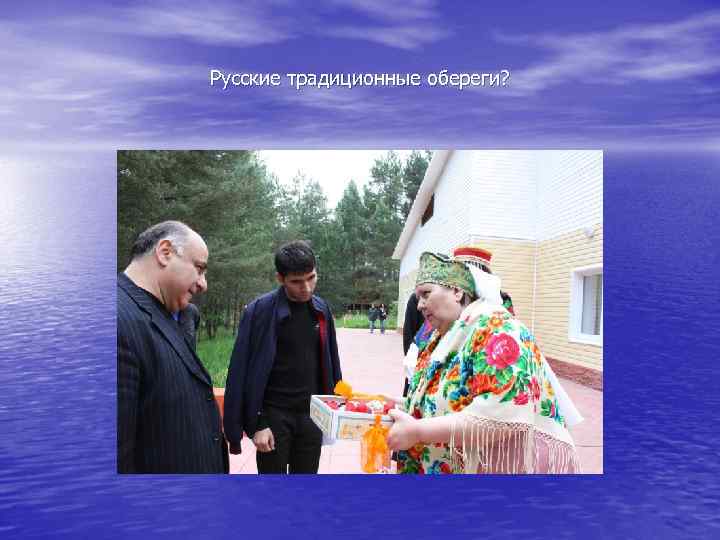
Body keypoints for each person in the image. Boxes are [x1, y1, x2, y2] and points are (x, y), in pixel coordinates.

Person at [387, 245, 582, 474]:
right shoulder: (444, 335)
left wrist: (418, 431)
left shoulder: (499, 330)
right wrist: (402, 405)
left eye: (426, 294)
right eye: (418, 297)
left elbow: (501, 416)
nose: (419, 305)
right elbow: (449, 396)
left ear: (457, 292)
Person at [117, 221, 228, 473]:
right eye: (199, 269)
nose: (203, 284)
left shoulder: (167, 313)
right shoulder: (116, 320)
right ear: (165, 252)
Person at [223, 240, 342, 474]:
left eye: (311, 278)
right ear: (280, 278)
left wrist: (335, 406)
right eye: (296, 282)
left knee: (305, 487)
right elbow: (240, 370)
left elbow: (332, 361)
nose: (306, 288)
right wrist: (258, 424)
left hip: (312, 416)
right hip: (273, 418)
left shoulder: (321, 309)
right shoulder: (259, 311)